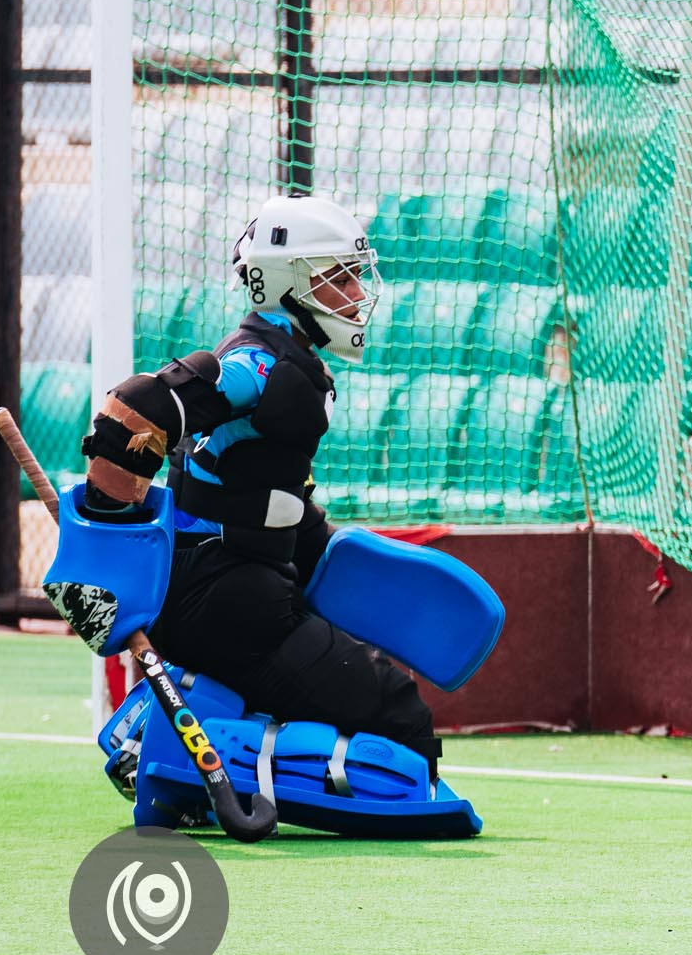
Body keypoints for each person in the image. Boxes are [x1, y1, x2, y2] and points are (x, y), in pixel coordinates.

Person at [79, 193, 440, 775]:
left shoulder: (288, 358)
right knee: (404, 723)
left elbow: (257, 487)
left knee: (370, 694)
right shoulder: (259, 364)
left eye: (354, 279)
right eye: (339, 280)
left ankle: (183, 742)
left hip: (237, 589)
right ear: (284, 283)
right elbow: (139, 404)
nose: (355, 295)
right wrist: (102, 535)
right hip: (228, 600)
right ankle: (192, 751)